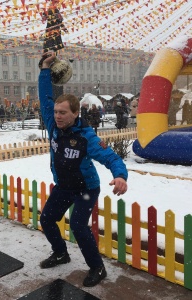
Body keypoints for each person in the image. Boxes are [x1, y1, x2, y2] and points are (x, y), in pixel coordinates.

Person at [38, 52, 128, 287]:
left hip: (86, 188)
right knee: (47, 219)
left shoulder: (87, 137)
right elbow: (45, 97)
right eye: (56, 112)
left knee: (78, 226)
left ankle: (97, 268)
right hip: (64, 186)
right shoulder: (53, 126)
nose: (57, 116)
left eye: (63, 113)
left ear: (75, 113)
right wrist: (45, 70)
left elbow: (111, 158)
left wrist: (120, 176)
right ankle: (60, 253)